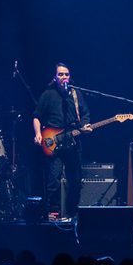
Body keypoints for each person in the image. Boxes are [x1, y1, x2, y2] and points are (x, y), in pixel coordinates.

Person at [33, 63, 92, 220]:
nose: (64, 77)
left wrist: (85, 125)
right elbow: (37, 116)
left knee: (76, 180)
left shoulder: (76, 94)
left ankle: (73, 213)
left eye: (66, 74)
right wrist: (38, 134)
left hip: (73, 142)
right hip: (54, 142)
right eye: (60, 74)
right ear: (55, 77)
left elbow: (85, 115)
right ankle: (54, 213)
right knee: (54, 180)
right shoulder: (48, 95)